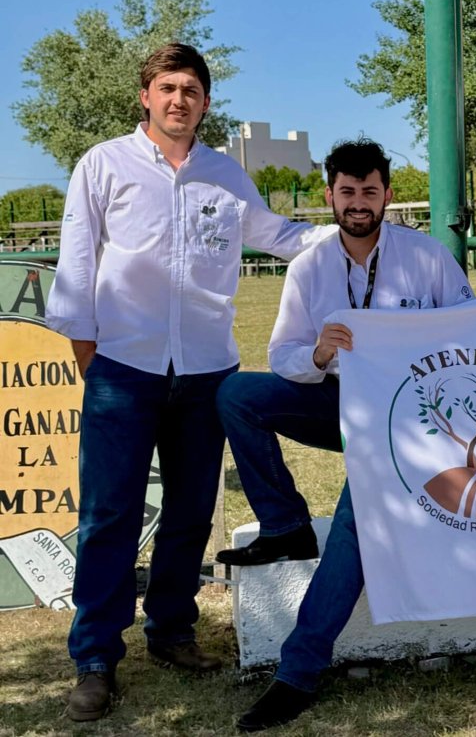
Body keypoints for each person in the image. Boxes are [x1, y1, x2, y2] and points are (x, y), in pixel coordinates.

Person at [45, 43, 335, 723]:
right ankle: (94, 657)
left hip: (207, 370)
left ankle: (172, 632)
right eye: (168, 87)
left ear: (206, 103)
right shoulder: (103, 166)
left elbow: (281, 235)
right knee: (109, 515)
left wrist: (358, 228)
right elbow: (77, 267)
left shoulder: (225, 177)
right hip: (122, 368)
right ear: (145, 95)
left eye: (192, 90)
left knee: (189, 513)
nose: (180, 99)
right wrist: (95, 359)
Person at [212, 138, 474, 732]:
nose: (359, 203)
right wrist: (321, 353)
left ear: (387, 194)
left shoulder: (428, 257)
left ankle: (297, 672)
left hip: (407, 421)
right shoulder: (310, 265)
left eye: (371, 191)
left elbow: (468, 334)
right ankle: (285, 527)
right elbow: (281, 355)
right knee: (235, 395)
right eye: (348, 192)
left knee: (359, 516)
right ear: (330, 195)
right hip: (338, 402)